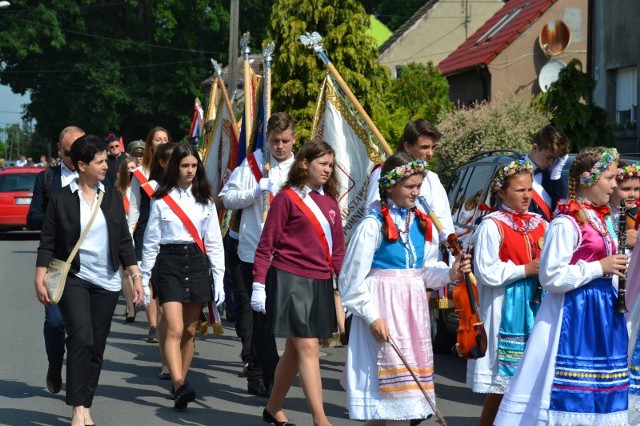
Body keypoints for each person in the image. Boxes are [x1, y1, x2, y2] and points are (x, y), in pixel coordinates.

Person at [495, 147, 629, 425]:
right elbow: (550, 277)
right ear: (589, 179)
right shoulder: (567, 222)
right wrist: (598, 267)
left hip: (604, 313)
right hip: (574, 312)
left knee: (601, 389)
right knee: (567, 389)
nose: (615, 185)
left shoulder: (605, 218)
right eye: (610, 178)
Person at [340, 152, 469, 425]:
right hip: (382, 310)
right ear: (389, 187)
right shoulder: (372, 225)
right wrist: (372, 316)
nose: (416, 193)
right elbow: (350, 280)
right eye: (410, 187)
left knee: (405, 403)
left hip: (411, 314)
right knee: (380, 401)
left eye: (418, 187)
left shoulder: (420, 225)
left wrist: (450, 273)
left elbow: (420, 274)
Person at [34, 134, 145, 426]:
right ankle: (76, 407)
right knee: (81, 338)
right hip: (74, 278)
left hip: (106, 281)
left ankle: (86, 403)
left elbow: (123, 239)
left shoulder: (110, 197)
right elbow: (47, 241)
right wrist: (40, 275)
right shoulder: (60, 199)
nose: (106, 166)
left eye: (106, 160)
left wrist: (135, 275)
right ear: (82, 165)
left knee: (96, 345)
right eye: (99, 161)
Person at [251, 140, 345, 426]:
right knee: (308, 347)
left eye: (331, 165)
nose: (328, 169)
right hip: (289, 278)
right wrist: (258, 284)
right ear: (304, 163)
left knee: (294, 351)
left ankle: (272, 408)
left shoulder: (330, 204)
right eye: (322, 163)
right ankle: (320, 419)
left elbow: (338, 250)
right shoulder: (287, 198)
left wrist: (347, 283)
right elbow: (267, 244)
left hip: (319, 282)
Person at [141, 143, 225, 410]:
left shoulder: (206, 200)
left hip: (197, 263)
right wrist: (144, 277)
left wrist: (219, 276)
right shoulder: (160, 198)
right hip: (169, 263)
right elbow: (151, 241)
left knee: (189, 331)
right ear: (174, 167)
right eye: (184, 165)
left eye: (193, 165)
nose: (190, 170)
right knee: (174, 328)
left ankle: (180, 383)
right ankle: (178, 383)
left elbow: (213, 242)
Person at [220, 112, 296, 397]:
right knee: (254, 318)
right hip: (251, 253)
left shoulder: (301, 168)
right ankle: (258, 374)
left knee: (282, 318)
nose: (279, 146)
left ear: (294, 139)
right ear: (268, 140)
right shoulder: (253, 163)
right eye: (275, 141)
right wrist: (254, 192)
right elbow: (227, 198)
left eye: (285, 141)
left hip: (286, 255)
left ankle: (279, 369)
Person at [467, 160, 547, 426]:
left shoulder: (539, 223)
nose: (527, 196)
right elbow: (486, 271)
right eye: (519, 190)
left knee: (531, 381)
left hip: (536, 305)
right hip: (505, 308)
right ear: (502, 192)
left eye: (529, 190)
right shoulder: (492, 225)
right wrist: (525, 269)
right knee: (504, 384)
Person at [27, 125, 85, 395]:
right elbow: (32, 217)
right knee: (55, 321)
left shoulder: (98, 176)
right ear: (60, 150)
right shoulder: (47, 178)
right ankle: (54, 363)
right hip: (56, 262)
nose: (76, 155)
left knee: (83, 330)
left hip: (89, 262)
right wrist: (58, 214)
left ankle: (78, 385)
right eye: (71, 150)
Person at [365, 119, 454, 236]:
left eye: (433, 147)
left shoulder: (433, 179)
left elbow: (445, 221)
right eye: (424, 147)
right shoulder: (386, 173)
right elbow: (372, 216)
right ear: (407, 146)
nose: (430, 153)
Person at [134, 142, 177, 379]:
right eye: (170, 158)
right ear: (161, 161)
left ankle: (177, 355)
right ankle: (165, 360)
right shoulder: (150, 186)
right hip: (157, 250)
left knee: (181, 317)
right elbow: (136, 214)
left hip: (185, 255)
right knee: (163, 309)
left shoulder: (192, 187)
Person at [128, 127, 170, 343]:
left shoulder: (177, 169)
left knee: (164, 281)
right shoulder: (140, 172)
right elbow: (134, 206)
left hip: (169, 232)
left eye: (165, 139)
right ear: (150, 144)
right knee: (149, 280)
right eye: (157, 139)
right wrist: (127, 236)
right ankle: (153, 325)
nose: (162, 142)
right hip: (146, 230)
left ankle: (166, 322)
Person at [524, 125, 570, 222]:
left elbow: (560, 210)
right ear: (535, 148)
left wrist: (556, 176)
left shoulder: (553, 177)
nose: (551, 163)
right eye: (548, 157)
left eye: (555, 159)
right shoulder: (514, 172)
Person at [117, 156, 139, 322]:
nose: (131, 171)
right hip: (124, 237)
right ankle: (131, 309)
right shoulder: (118, 192)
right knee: (125, 273)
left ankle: (136, 298)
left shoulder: (143, 190)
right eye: (128, 168)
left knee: (138, 273)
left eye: (134, 167)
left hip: (140, 235)